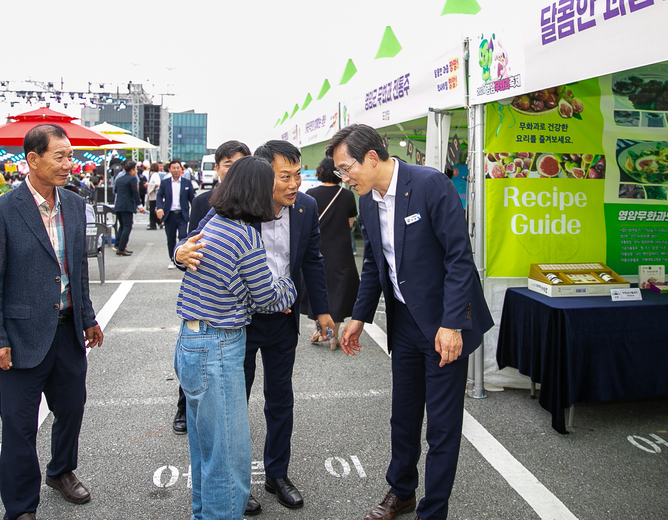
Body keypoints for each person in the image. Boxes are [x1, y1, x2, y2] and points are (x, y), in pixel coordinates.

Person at [327, 124, 493, 520]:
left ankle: (432, 511)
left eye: (346, 168)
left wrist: (453, 324)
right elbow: (374, 264)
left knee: (441, 427)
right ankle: (400, 492)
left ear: (371, 157)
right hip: (403, 325)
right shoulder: (367, 199)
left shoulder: (430, 184)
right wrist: (359, 317)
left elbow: (458, 258)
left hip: (442, 325)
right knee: (403, 416)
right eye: (339, 172)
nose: (344, 178)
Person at [175, 140, 334, 516]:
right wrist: (180, 253)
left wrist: (322, 311)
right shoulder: (234, 214)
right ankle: (235, 487)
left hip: (280, 320)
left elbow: (311, 258)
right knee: (230, 412)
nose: (294, 184)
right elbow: (193, 245)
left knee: (280, 400)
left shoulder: (307, 207)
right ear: (263, 179)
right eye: (285, 177)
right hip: (236, 325)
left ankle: (276, 475)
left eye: (298, 175)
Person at [0, 123, 104, 520]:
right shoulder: (2, 211)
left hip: (67, 331)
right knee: (19, 428)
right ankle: (20, 507)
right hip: (19, 337)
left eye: (71, 155)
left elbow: (76, 268)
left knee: (72, 409)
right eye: (60, 156)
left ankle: (61, 471)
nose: (70, 164)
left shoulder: (73, 204)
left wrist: (88, 317)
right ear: (32, 160)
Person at [172, 140, 251, 437]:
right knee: (197, 362)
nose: (233, 172)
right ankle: (184, 406)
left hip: (241, 306)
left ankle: (228, 419)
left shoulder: (256, 201)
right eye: (228, 165)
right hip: (207, 303)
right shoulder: (205, 202)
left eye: (240, 165)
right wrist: (180, 254)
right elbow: (192, 241)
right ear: (217, 168)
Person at [301, 156, 360, 350]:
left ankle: (320, 330)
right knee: (339, 291)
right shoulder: (347, 196)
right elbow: (350, 224)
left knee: (320, 289)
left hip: (318, 249)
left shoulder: (310, 194)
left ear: (320, 172)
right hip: (341, 251)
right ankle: (334, 335)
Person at [156, 159, 195, 269]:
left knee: (183, 236)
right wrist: (159, 208)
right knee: (170, 238)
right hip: (169, 215)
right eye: (173, 168)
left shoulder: (186, 182)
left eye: (178, 168)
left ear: (181, 169)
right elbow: (159, 196)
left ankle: (182, 259)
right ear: (169, 169)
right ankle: (173, 259)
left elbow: (192, 199)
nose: (176, 170)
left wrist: (196, 211)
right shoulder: (165, 183)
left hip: (182, 214)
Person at [113, 160, 145, 256]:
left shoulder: (119, 179)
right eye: (135, 169)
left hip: (118, 205)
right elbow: (135, 193)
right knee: (127, 226)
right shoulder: (132, 179)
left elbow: (115, 190)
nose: (136, 171)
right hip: (127, 206)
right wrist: (139, 206)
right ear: (131, 170)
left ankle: (118, 245)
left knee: (122, 226)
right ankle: (121, 248)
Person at [146, 163, 162, 230]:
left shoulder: (155, 175)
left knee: (152, 210)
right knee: (152, 210)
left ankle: (159, 221)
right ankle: (153, 224)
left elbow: (157, 184)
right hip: (152, 194)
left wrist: (148, 184)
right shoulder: (153, 175)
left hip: (154, 194)